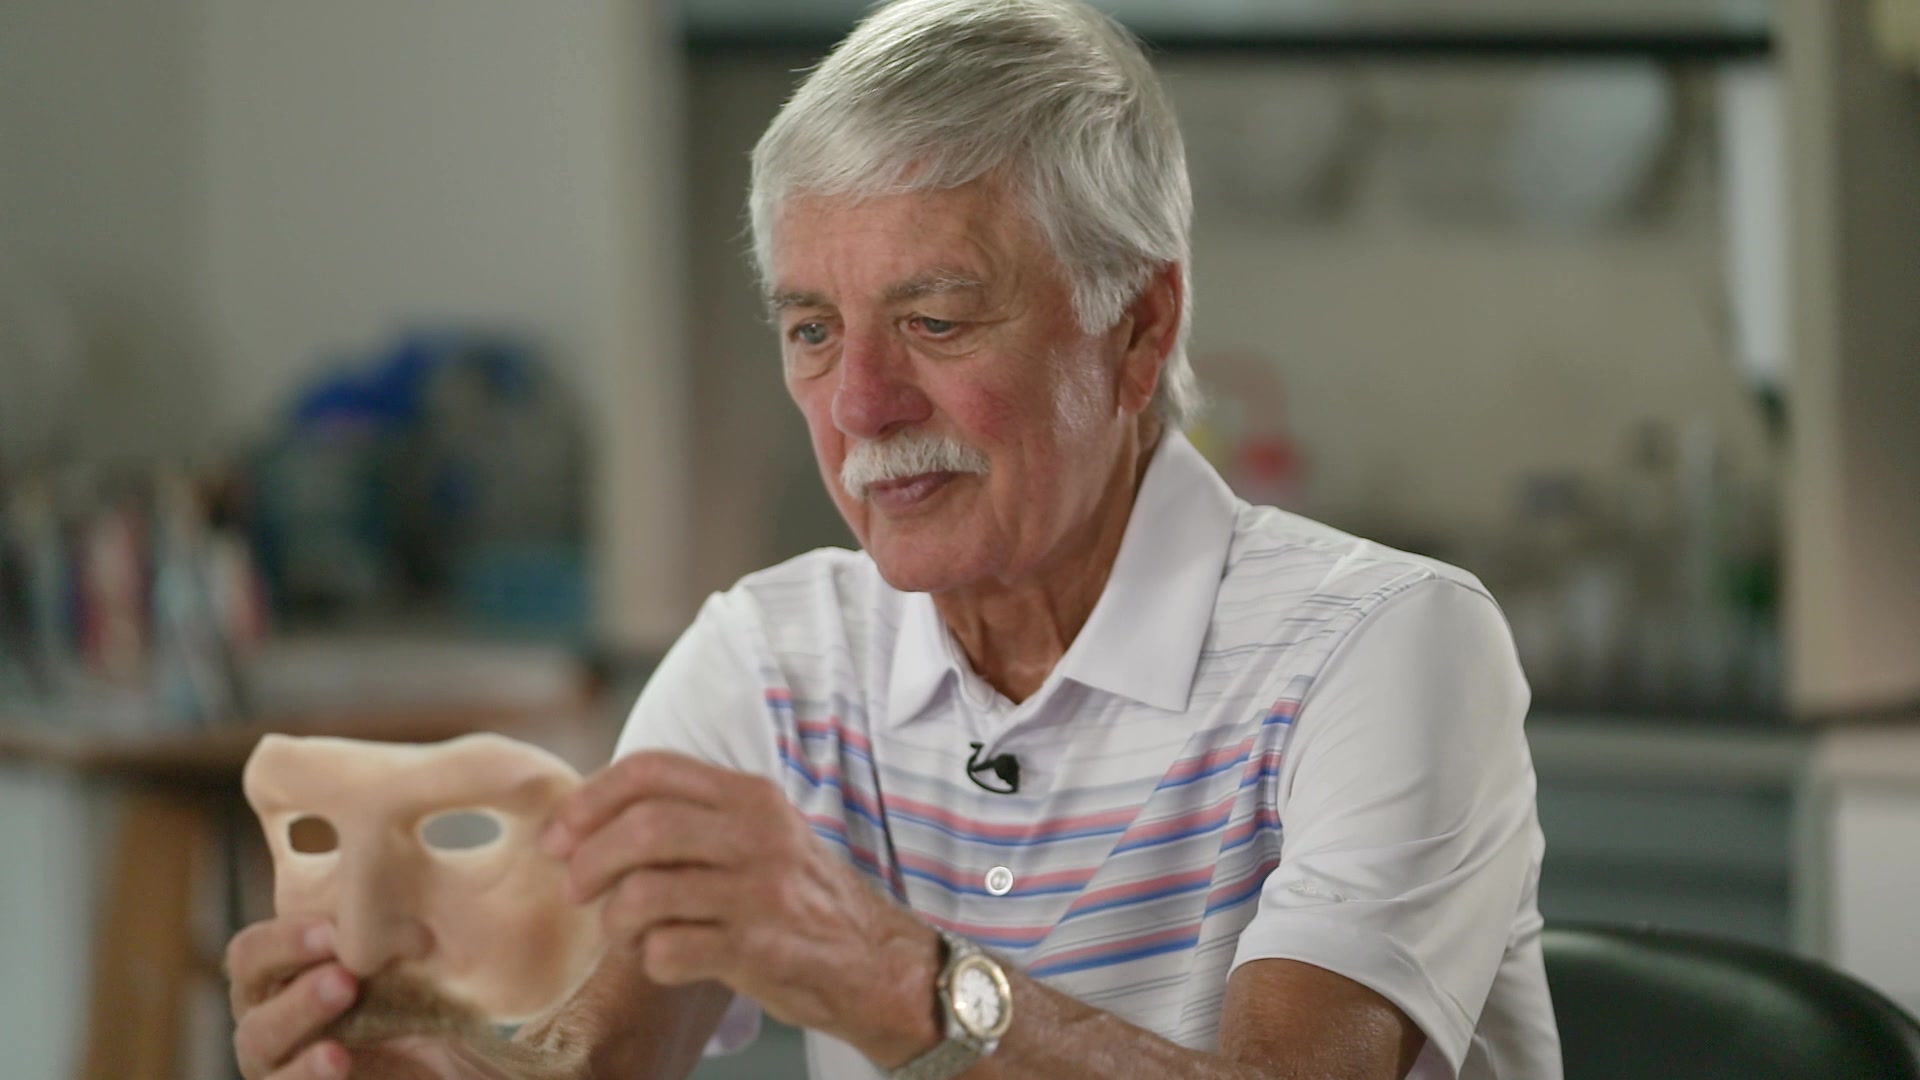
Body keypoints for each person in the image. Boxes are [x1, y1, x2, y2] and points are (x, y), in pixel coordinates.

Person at [225, 0, 1562, 1077]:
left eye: (937, 321)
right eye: (813, 330)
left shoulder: (1383, 647)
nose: (859, 407)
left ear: (1139, 328)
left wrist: (901, 985)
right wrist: (430, 1068)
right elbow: (595, 1059)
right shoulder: (772, 661)